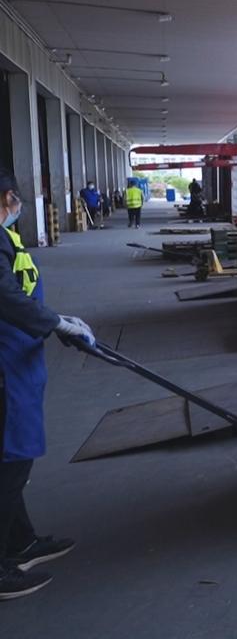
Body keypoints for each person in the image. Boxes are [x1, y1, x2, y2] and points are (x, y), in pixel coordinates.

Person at [0, 167, 93, 600]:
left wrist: (55, 320)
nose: (16, 206)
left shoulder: (5, 237)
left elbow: (17, 290)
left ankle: (20, 542)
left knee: (13, 461)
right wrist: (54, 323)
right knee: (10, 463)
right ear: (7, 198)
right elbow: (5, 296)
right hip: (5, 368)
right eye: (15, 199)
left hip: (18, 358)